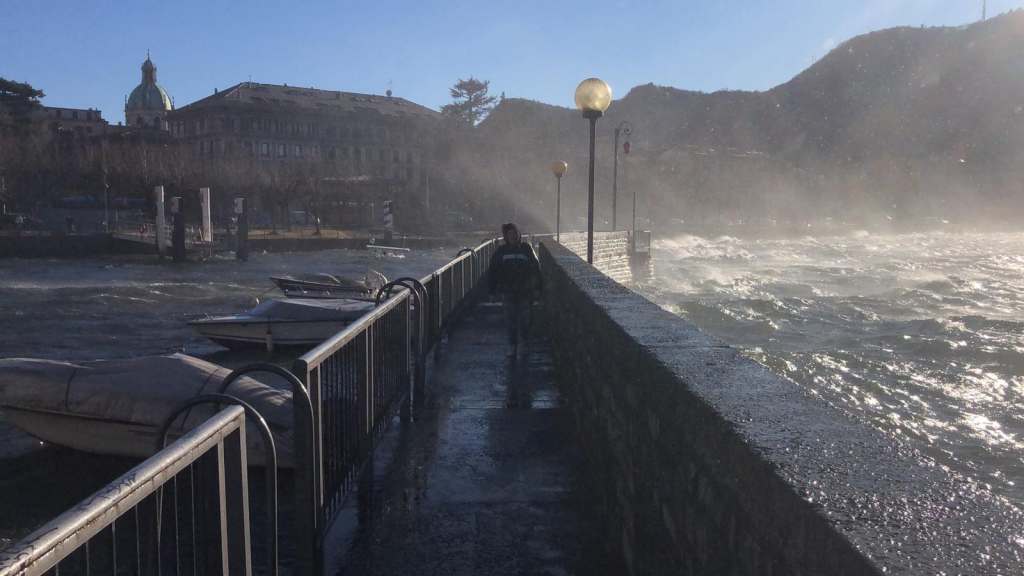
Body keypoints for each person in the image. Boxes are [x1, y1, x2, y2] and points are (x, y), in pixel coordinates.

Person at [489, 223, 542, 356]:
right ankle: (512, 346)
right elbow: (493, 271)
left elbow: (536, 268)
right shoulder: (501, 251)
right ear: (506, 236)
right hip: (508, 292)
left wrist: (537, 288)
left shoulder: (526, 248)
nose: (512, 236)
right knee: (510, 321)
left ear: (518, 234)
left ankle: (524, 344)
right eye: (510, 234)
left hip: (525, 291)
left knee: (525, 321)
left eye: (515, 233)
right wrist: (492, 290)